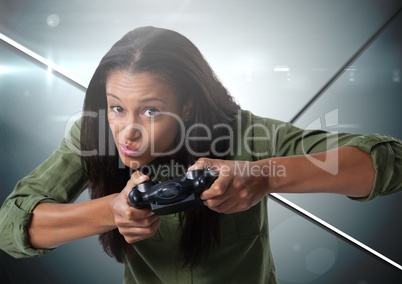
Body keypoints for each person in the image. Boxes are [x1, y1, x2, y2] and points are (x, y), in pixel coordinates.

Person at [0, 26, 401, 283]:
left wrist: (263, 175)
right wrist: (113, 211)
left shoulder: (247, 133)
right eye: (117, 107)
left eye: (152, 110)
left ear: (188, 106)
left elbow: (389, 162)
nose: (128, 131)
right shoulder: (93, 134)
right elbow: (10, 227)